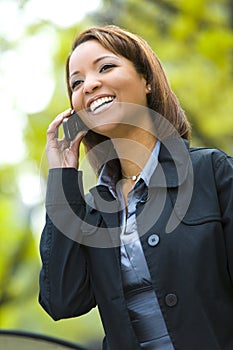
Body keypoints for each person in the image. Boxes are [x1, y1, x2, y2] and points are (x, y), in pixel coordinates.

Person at [39, 25, 233, 350]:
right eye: (77, 82)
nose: (90, 84)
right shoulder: (92, 212)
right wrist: (61, 179)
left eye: (105, 67)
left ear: (146, 80)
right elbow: (63, 300)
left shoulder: (211, 172)